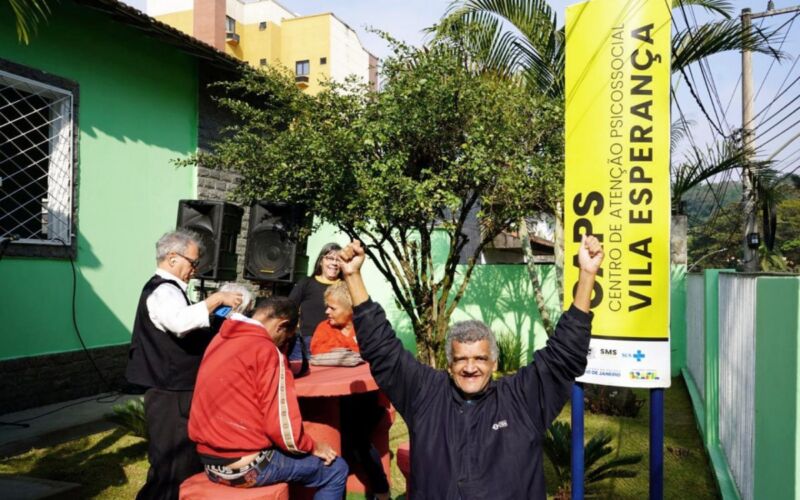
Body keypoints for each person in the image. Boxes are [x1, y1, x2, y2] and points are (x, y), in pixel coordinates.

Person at [338, 236, 604, 499]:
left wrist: (587, 274)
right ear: (449, 364)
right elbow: (383, 351)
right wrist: (352, 277)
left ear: (494, 362)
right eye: (461, 359)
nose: (470, 368)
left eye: (479, 358)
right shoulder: (425, 394)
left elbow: (564, 357)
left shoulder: (523, 399)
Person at [188, 296, 348, 499]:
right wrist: (315, 446)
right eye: (288, 338)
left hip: (209, 463)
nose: (285, 344)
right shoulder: (266, 351)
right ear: (282, 326)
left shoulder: (219, 339)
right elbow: (283, 430)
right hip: (246, 468)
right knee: (336, 469)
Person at [125, 229, 243, 500]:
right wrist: (216, 300)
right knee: (170, 468)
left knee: (182, 465)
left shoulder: (172, 290)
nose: (195, 269)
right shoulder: (163, 290)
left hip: (178, 390)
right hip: (171, 393)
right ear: (172, 258)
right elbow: (179, 323)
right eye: (193, 262)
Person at [309, 281, 391, 500]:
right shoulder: (324, 328)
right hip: (339, 401)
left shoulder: (365, 327)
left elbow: (379, 355)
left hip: (370, 399)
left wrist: (347, 352)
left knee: (356, 440)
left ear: (350, 310)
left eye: (332, 308)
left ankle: (381, 490)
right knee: (347, 437)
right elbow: (319, 352)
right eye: (327, 306)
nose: (327, 312)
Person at [288, 243, 343, 360]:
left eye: (338, 260)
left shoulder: (345, 287)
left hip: (335, 343)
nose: (334, 263)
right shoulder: (306, 283)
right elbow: (289, 308)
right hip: (305, 341)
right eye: (330, 258)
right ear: (321, 261)